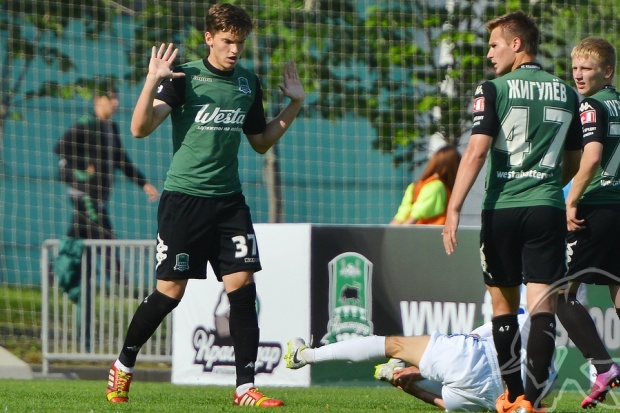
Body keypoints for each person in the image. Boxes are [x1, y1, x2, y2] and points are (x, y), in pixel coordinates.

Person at [104, 3, 305, 408]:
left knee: (243, 288)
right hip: (184, 202)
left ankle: (245, 388)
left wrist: (294, 104)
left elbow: (260, 142)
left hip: (229, 203)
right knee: (169, 294)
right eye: (228, 41)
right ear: (209, 38)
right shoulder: (184, 78)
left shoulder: (248, 83)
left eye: (240, 42)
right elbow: (139, 129)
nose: (235, 49)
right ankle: (124, 364)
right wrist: (152, 81)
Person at [441, 11, 582, 413]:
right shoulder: (566, 91)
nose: (489, 54)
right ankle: (531, 403)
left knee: (503, 307)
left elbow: (477, 150)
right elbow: (575, 159)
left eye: (494, 45)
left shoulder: (493, 89)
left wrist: (453, 207)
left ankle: (513, 395)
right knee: (543, 308)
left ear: (516, 44)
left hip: (502, 208)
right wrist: (546, 180)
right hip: (546, 207)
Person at [54, 80, 159, 351]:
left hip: (98, 198)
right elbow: (61, 147)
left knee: (78, 237)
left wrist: (143, 183)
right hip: (84, 195)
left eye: (116, 98)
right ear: (98, 100)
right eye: (111, 98)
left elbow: (121, 160)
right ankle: (123, 287)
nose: (116, 103)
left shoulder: (110, 128)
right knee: (105, 237)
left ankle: (59, 274)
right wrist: (83, 166)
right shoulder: (86, 124)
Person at [284, 313, 555, 412]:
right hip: (485, 400)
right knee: (448, 389)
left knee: (394, 345)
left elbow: (481, 336)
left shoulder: (529, 321)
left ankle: (306, 355)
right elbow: (445, 404)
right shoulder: (547, 378)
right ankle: (398, 375)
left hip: (478, 361)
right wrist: (411, 387)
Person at [555, 36, 620, 409]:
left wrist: (571, 200)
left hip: (595, 208)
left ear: (607, 71)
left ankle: (604, 367)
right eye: (575, 68)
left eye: (587, 69)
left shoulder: (591, 106)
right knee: (617, 286)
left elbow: (592, 157)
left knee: (560, 292)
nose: (578, 75)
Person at [390, 145, 461, 225]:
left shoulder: (414, 186)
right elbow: (417, 214)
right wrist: (404, 230)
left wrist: (391, 231)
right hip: (431, 232)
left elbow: (402, 214)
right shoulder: (437, 187)